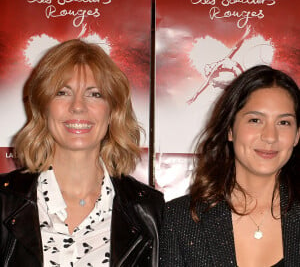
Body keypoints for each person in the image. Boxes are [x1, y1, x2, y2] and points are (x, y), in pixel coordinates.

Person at [0, 39, 164, 267]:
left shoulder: (150, 211)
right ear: (43, 108)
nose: (78, 106)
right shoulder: (4, 201)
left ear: (112, 111)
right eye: (62, 92)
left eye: (94, 94)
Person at [160, 65, 300, 266]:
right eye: (255, 120)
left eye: (284, 123)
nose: (270, 136)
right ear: (230, 129)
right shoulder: (180, 220)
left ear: (297, 135)